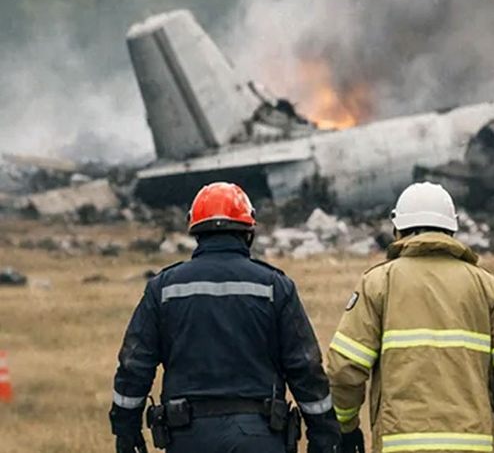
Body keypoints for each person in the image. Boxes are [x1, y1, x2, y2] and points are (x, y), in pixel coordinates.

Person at [109, 182, 340, 453]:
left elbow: (134, 365)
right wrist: (324, 434)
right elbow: (305, 368)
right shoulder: (274, 287)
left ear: (196, 231)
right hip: (260, 437)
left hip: (187, 437)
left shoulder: (164, 288)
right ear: (248, 233)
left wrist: (126, 429)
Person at [326, 182, 494, 453]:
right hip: (473, 446)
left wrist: (345, 429)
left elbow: (345, 368)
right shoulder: (484, 285)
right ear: (451, 229)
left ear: (399, 229)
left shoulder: (379, 283)